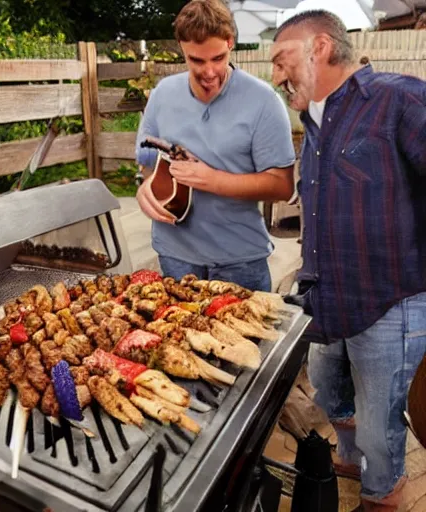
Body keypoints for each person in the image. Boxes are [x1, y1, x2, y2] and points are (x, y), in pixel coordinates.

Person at [271, 9, 426, 512]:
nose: (274, 74)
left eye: (280, 59)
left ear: (318, 47)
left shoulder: (399, 98)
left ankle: (383, 494)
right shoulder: (314, 119)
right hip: (325, 296)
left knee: (382, 418)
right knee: (328, 386)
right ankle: (355, 457)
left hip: (390, 300)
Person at [135, 0, 296, 292]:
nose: (209, 72)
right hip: (175, 256)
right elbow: (147, 162)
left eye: (218, 58)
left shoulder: (264, 101)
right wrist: (146, 187)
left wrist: (212, 180)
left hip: (240, 262)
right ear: (182, 49)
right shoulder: (162, 95)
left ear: (230, 43)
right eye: (197, 60)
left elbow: (282, 186)